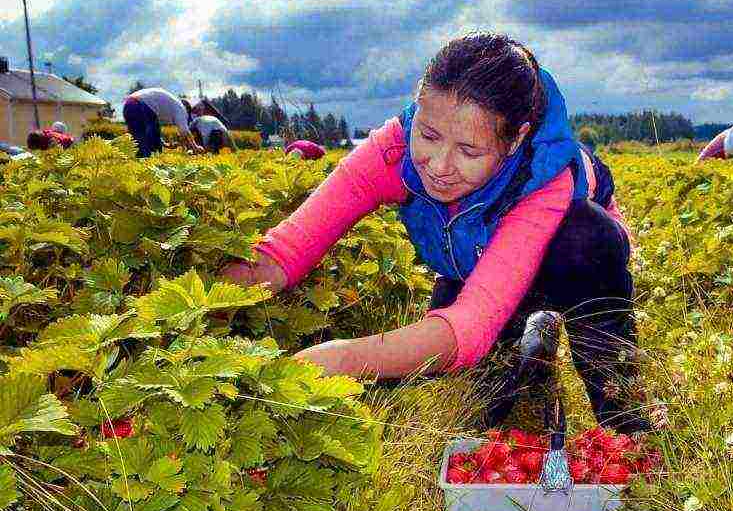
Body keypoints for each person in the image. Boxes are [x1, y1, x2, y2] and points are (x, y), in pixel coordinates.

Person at [223, 32, 650, 434]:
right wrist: (197, 308)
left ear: (515, 139)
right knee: (481, 407)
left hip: (573, 262)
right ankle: (531, 357)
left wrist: (339, 357)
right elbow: (286, 250)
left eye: (469, 151)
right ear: (418, 107)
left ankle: (626, 417)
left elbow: (466, 328)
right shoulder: (392, 151)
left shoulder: (543, 178)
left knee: (583, 242)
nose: (440, 165)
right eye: (428, 135)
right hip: (474, 265)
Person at [122, 87, 204, 158]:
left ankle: (135, 163)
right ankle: (148, 165)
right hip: (139, 105)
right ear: (187, 111)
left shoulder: (168, 105)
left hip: (128, 104)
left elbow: (155, 130)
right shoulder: (181, 108)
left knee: (135, 143)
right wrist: (195, 147)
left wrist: (165, 144)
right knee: (146, 147)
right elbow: (185, 132)